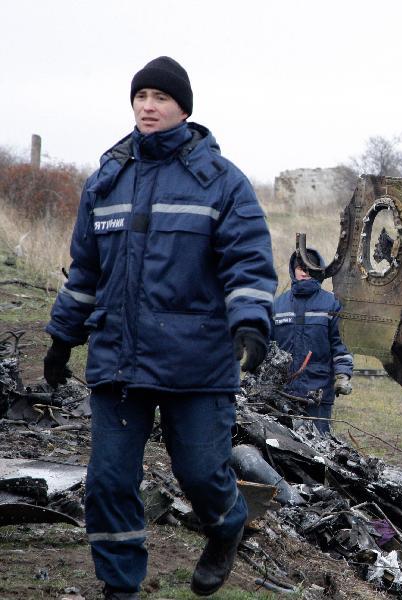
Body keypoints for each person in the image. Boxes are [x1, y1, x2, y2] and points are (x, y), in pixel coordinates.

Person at [42, 57, 277, 599]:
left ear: (183, 109)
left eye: (160, 98)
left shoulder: (221, 181)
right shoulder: (108, 178)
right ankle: (119, 588)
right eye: (140, 96)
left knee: (201, 474)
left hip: (196, 362)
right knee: (108, 483)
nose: (147, 106)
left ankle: (226, 525)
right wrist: (62, 336)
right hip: (118, 359)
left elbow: (248, 260)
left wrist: (250, 324)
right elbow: (85, 270)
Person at [272, 246, 354, 433]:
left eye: (310, 269)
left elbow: (341, 344)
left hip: (317, 394)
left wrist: (343, 375)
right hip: (282, 394)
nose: (305, 273)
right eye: (301, 268)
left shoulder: (332, 304)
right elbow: (268, 348)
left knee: (318, 449)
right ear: (294, 269)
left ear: (318, 271)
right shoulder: (278, 305)